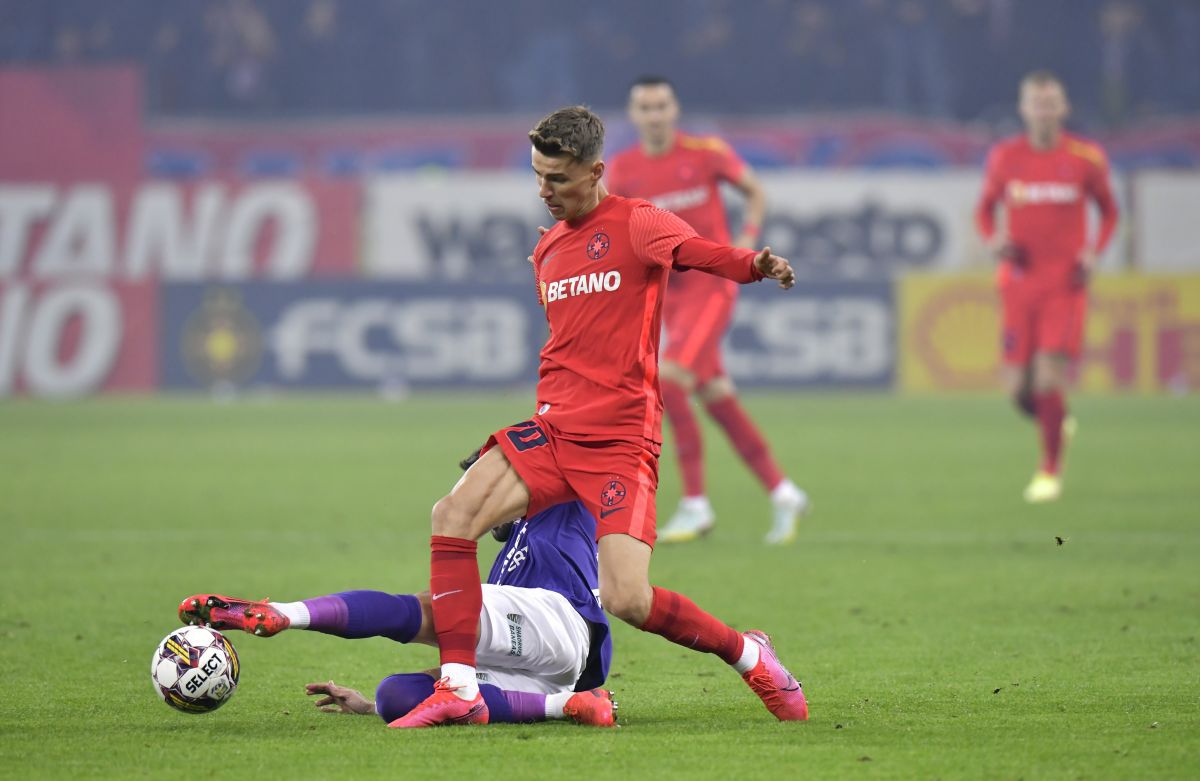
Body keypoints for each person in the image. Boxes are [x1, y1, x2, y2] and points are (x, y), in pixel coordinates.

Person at [393, 105, 808, 728]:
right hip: (553, 431)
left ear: (595, 171)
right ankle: (457, 685)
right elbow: (568, 348)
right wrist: (514, 454)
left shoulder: (638, 223)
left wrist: (756, 265)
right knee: (450, 516)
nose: (544, 191)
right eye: (537, 176)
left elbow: (698, 252)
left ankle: (749, 654)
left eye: (557, 179)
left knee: (627, 598)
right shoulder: (547, 251)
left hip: (619, 440)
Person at [177, 451, 616, 728]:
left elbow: (570, 442)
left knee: (438, 608)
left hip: (565, 621)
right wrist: (369, 707)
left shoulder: (562, 502)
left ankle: (285, 614)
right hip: (560, 675)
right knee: (398, 695)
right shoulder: (506, 564)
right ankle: (570, 706)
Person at [606, 75, 809, 545]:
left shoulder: (705, 151)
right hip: (668, 296)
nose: (654, 115)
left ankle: (695, 503)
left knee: (669, 380)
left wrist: (746, 237)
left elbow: (754, 191)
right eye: (645, 107)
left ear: (674, 110)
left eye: (661, 106)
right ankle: (783, 492)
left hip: (712, 287)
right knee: (717, 397)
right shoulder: (622, 170)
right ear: (633, 115)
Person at [975, 71, 1119, 503]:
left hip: (1064, 285)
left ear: (1063, 108)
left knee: (1045, 379)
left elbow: (1110, 212)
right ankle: (1058, 422)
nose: (1043, 111)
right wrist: (994, 240)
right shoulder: (1005, 157)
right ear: (1023, 109)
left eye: (1051, 103)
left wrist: (1095, 250)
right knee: (1018, 391)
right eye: (1036, 103)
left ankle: (1048, 471)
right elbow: (984, 212)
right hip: (1018, 286)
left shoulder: (1085, 157)